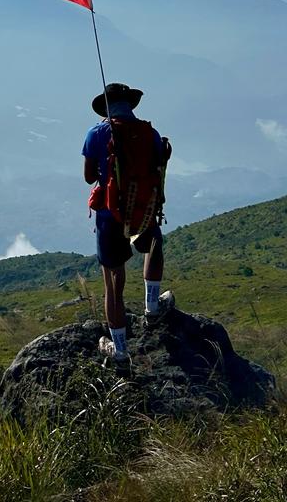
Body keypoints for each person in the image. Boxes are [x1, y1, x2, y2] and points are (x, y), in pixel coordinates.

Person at [82, 82, 174, 363]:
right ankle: (152, 308)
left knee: (113, 282)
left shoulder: (96, 133)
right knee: (154, 244)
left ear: (106, 108)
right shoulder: (150, 133)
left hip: (109, 215)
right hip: (142, 210)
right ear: (130, 106)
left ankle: (120, 351)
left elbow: (89, 177)